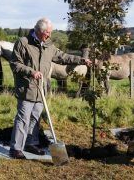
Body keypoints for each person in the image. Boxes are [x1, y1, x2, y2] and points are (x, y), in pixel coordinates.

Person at [9, 18, 91, 159]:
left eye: (50, 32)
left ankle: (31, 143)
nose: (50, 35)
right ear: (39, 31)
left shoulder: (49, 44)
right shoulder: (23, 43)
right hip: (27, 88)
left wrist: (81, 60)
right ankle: (15, 148)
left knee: (35, 118)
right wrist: (31, 72)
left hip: (41, 89)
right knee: (23, 118)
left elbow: (62, 56)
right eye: (47, 32)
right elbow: (15, 64)